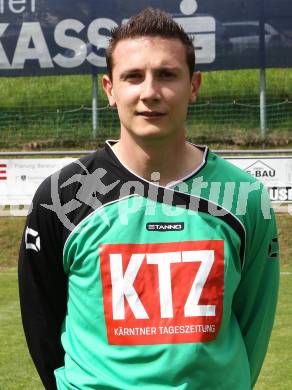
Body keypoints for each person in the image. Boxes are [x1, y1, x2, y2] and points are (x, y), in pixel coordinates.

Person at [19, 8, 279, 390]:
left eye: (167, 74)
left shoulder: (245, 197)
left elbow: (254, 322)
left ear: (194, 85)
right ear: (110, 89)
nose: (150, 92)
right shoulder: (64, 195)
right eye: (133, 76)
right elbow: (42, 322)